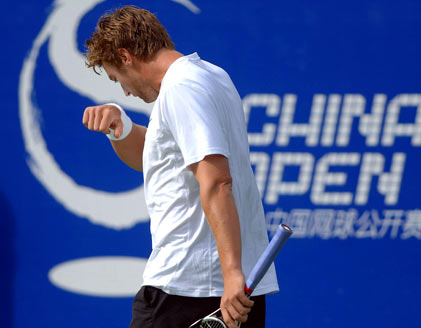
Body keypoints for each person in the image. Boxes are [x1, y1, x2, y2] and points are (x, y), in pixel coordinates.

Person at [82, 5, 278, 328]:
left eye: (118, 79)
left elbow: (216, 182)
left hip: (188, 289)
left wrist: (231, 275)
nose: (126, 91)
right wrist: (121, 129)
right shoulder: (212, 77)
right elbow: (166, 157)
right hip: (233, 290)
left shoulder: (181, 89)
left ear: (126, 55)